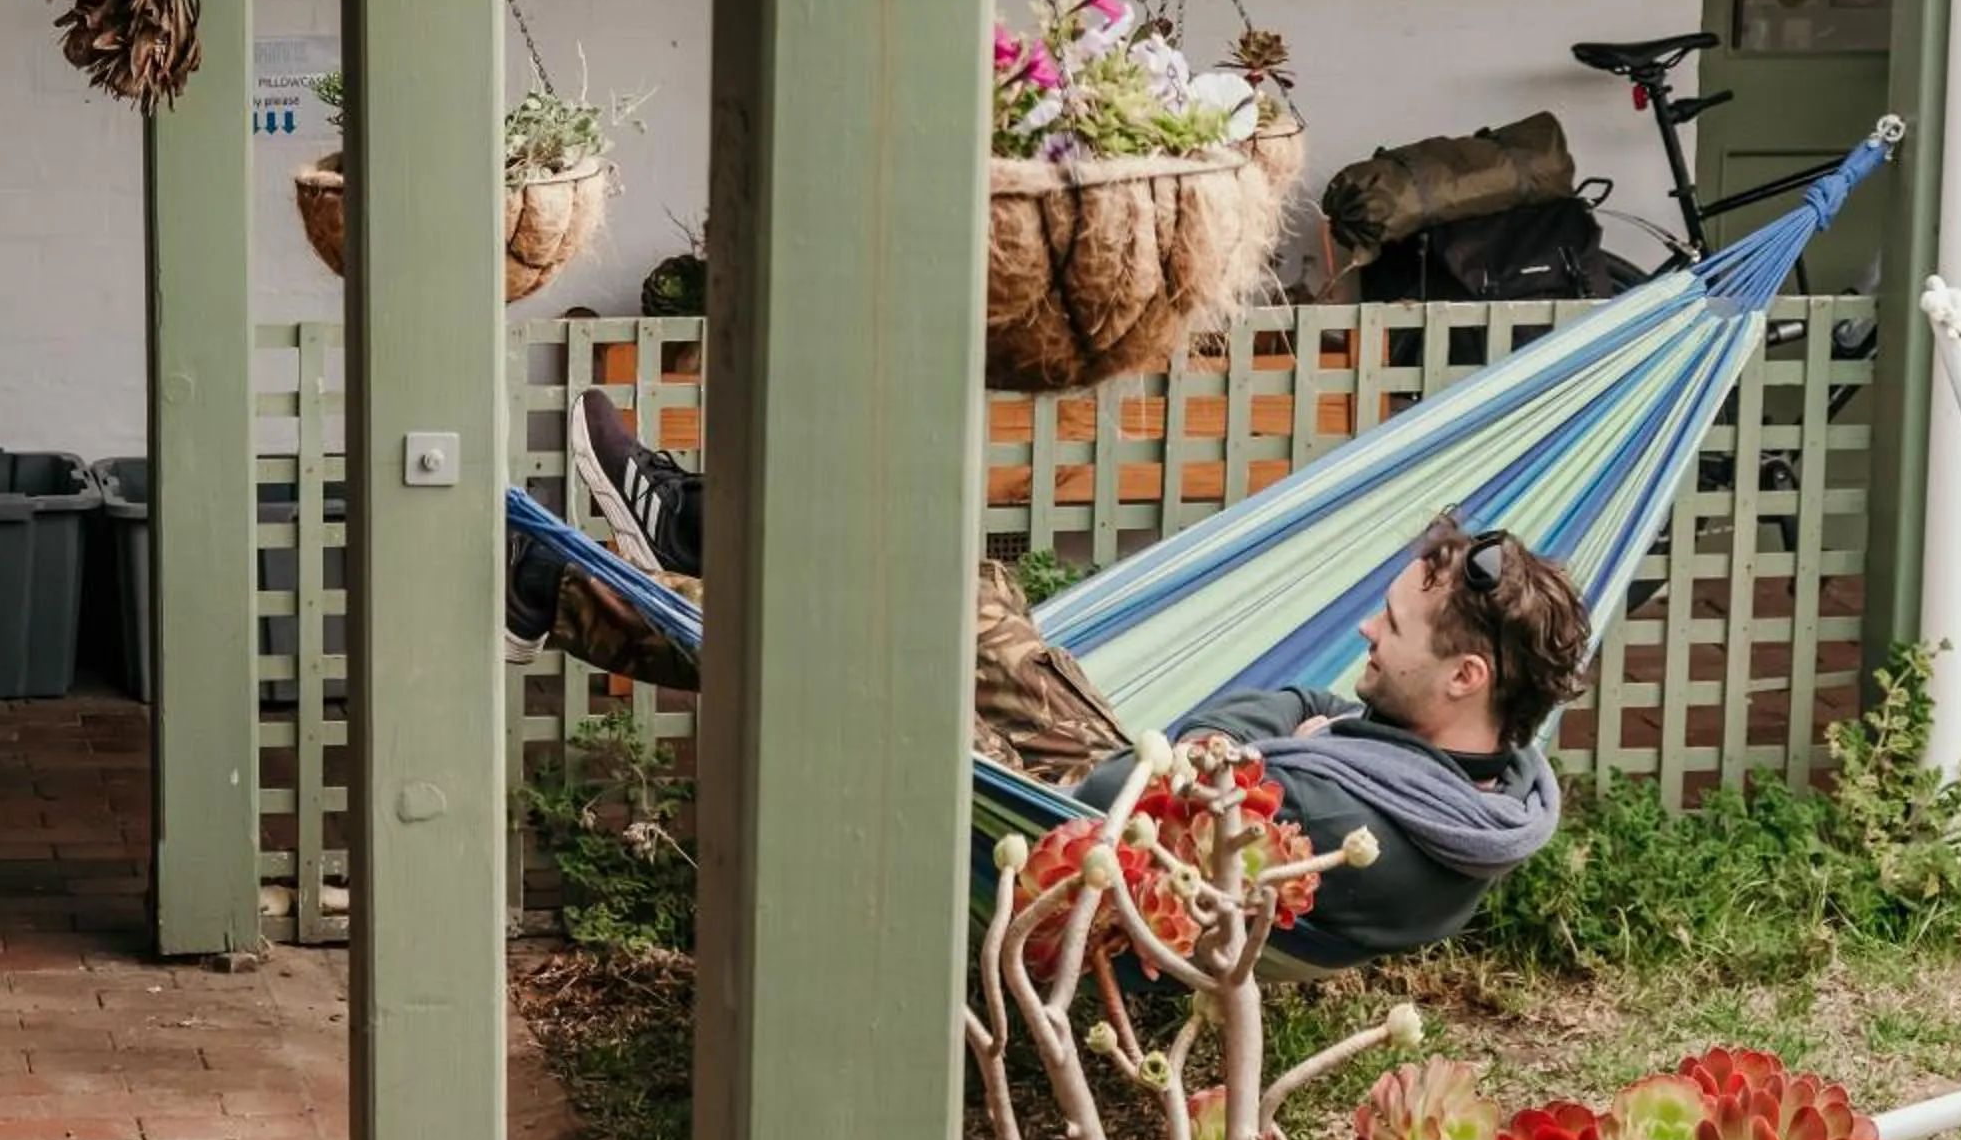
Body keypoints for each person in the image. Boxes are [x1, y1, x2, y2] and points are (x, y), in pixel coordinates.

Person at [516, 390, 1593, 976]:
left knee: (856, 660)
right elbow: (1229, 738)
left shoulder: (1347, 813)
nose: (1364, 624)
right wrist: (1294, 716)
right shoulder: (1487, 779)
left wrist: (1294, 714)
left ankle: (549, 580)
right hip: (1119, 790)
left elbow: (1207, 741)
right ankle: (679, 524)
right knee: (958, 591)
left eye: (1392, 623)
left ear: (1463, 673)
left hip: (1065, 855)